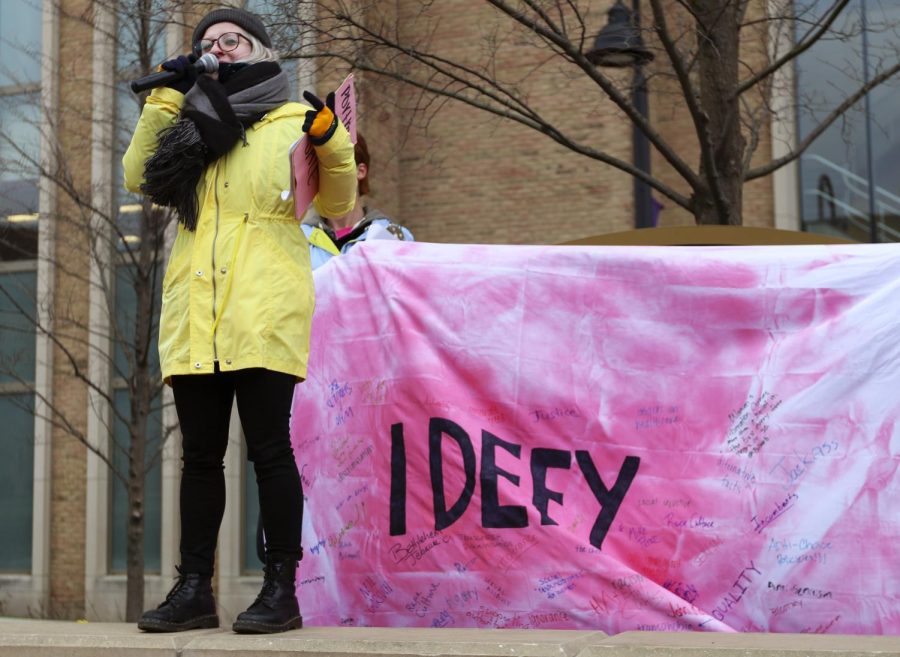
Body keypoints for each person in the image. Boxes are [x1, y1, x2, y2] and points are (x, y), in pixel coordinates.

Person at [122, 7, 357, 634]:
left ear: (258, 49)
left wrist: (331, 141)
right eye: (208, 42)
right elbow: (138, 176)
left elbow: (336, 206)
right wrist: (165, 101)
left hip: (264, 303)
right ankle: (194, 588)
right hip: (196, 304)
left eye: (232, 39)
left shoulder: (294, 121)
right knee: (199, 456)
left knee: (269, 450)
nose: (218, 48)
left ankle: (282, 587)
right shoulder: (188, 117)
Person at [302, 132, 413, 269]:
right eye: (319, 168)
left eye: (338, 166)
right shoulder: (298, 239)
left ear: (360, 171)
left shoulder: (392, 236)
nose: (327, 175)